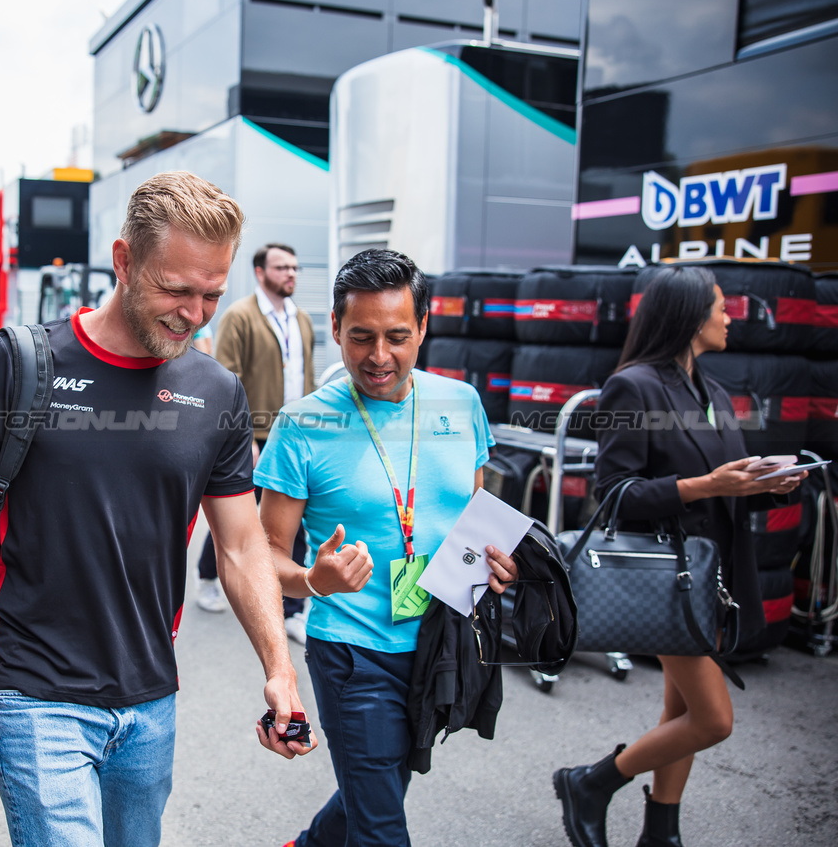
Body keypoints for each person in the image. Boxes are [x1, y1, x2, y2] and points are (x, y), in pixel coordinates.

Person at [0, 171, 314, 847]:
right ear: (125, 261)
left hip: (151, 700)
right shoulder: (21, 360)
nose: (194, 313)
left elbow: (241, 546)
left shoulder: (217, 392)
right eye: (176, 289)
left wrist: (278, 667)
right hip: (35, 692)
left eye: (212, 293)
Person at [256, 249, 519, 847]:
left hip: (440, 641)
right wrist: (315, 580)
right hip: (353, 654)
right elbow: (263, 555)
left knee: (371, 794)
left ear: (424, 326)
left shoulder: (462, 404)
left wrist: (495, 563)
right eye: (361, 337)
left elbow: (473, 519)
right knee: (380, 826)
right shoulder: (303, 425)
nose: (379, 357)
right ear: (335, 329)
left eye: (398, 336)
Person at [553, 264, 804, 847]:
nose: (729, 315)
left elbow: (719, 476)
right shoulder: (632, 386)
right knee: (713, 720)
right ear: (691, 314)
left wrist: (764, 482)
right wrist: (708, 486)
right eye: (720, 305)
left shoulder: (711, 391)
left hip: (714, 573)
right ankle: (591, 782)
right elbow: (614, 493)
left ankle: (660, 832)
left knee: (680, 715)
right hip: (671, 579)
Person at [195, 244, 315, 643]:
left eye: (295, 267)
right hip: (255, 432)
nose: (291, 274)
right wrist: (239, 437)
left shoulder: (301, 320)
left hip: (296, 434)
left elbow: (307, 377)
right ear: (260, 272)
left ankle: (293, 610)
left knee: (293, 522)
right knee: (236, 511)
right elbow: (225, 377)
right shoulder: (241, 316)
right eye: (282, 267)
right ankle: (209, 574)